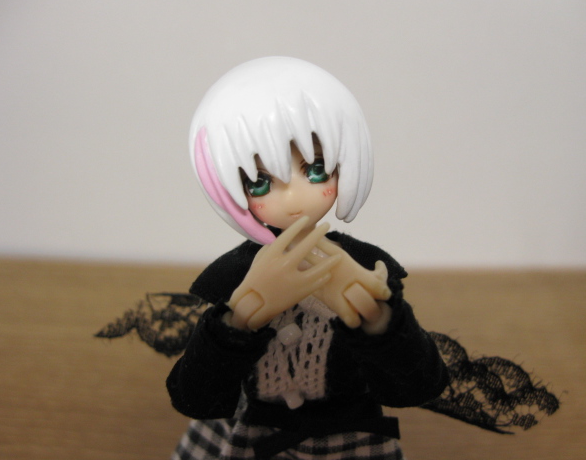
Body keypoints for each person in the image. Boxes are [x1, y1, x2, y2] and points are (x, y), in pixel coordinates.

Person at [166, 57, 449, 460]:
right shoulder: (232, 278)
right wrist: (240, 318)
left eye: (315, 170)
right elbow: (194, 396)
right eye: (260, 182)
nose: (294, 198)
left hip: (349, 432)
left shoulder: (366, 268)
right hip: (253, 434)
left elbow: (417, 386)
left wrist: (378, 320)